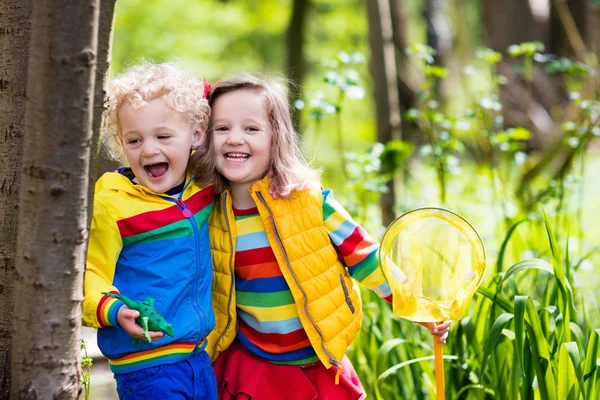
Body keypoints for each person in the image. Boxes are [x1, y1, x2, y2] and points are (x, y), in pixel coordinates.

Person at [192, 74, 450, 399]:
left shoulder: (310, 202)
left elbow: (365, 257)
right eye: (222, 128)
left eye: (251, 128)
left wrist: (415, 305)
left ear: (276, 137)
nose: (235, 139)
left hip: (318, 361)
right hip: (256, 363)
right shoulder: (206, 213)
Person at [82, 63, 218, 399]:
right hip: (147, 366)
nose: (148, 149)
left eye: (163, 136)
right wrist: (113, 310)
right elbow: (86, 273)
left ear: (196, 135)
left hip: (199, 356)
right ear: (121, 143)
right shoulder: (114, 205)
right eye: (135, 139)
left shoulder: (203, 191)